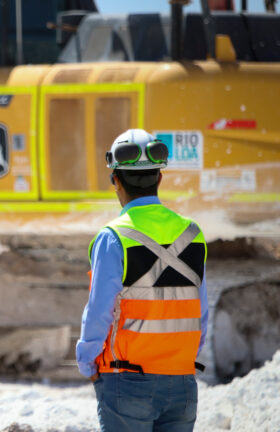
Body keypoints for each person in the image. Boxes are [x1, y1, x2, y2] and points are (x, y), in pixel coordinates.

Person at [76, 129, 208, 432]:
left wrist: (87, 362)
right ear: (159, 179)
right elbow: (201, 312)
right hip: (182, 383)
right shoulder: (192, 234)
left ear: (115, 181)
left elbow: (99, 311)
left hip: (127, 381)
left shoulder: (113, 238)